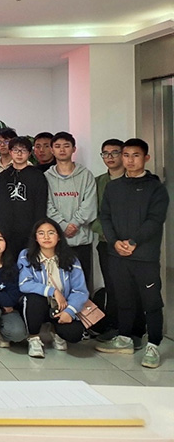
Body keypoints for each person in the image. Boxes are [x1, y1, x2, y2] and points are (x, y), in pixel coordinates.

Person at [96, 138, 169, 369]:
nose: (130, 160)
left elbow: (155, 220)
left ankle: (153, 344)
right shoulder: (113, 187)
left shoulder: (156, 188)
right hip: (117, 254)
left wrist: (133, 242)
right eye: (126, 155)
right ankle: (125, 338)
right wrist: (115, 242)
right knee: (123, 298)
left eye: (135, 155)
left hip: (144, 256)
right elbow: (105, 216)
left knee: (151, 301)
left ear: (146, 158)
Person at [18, 218, 88, 359]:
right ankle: (34, 338)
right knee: (34, 299)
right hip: (38, 306)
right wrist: (53, 291)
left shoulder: (71, 259)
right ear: (36, 238)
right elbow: (24, 284)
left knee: (75, 334)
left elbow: (80, 291)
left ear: (59, 237)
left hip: (61, 307)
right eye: (41, 233)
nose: (46, 237)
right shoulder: (26, 255)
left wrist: (69, 311)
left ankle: (56, 331)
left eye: (51, 233)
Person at [45, 131, 97, 288]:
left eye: (66, 146)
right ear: (52, 150)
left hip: (81, 241)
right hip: (56, 241)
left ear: (74, 149)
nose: (62, 150)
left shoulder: (86, 175)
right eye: (57, 146)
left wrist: (75, 223)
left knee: (83, 284)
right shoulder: (46, 177)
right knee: (58, 285)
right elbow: (47, 205)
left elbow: (89, 204)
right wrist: (62, 225)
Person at [90, 138, 126, 340]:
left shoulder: (134, 180)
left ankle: (134, 330)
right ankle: (113, 327)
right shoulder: (98, 182)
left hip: (131, 244)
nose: (110, 157)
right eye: (106, 153)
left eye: (115, 152)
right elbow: (92, 214)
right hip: (106, 242)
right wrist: (108, 235)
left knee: (131, 286)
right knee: (112, 285)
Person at [3, 136, 48, 257]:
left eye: (23, 150)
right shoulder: (3, 176)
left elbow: (41, 205)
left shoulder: (37, 176)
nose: (19, 154)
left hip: (30, 230)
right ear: (10, 152)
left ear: (29, 153)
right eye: (15, 150)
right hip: (8, 231)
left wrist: (38, 229)